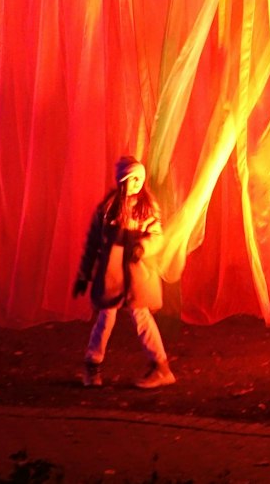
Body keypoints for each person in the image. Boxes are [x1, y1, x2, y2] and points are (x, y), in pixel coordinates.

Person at [74, 156, 175, 388]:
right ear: (122, 181)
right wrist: (84, 274)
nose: (137, 183)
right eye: (132, 179)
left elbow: (157, 235)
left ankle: (161, 367)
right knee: (105, 318)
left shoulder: (146, 207)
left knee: (142, 317)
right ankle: (92, 365)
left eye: (140, 178)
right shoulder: (108, 209)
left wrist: (142, 247)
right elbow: (92, 244)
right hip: (112, 277)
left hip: (138, 277)